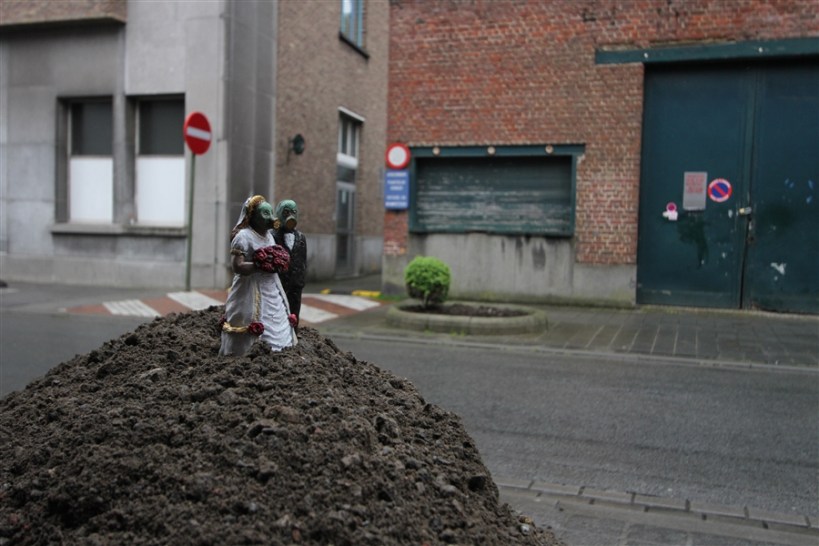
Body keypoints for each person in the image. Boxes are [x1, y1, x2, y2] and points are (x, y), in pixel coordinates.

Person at [219, 195, 296, 356]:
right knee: (250, 317)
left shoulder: (269, 236)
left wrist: (277, 263)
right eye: (265, 214)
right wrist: (260, 265)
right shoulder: (243, 237)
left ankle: (280, 348)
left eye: (270, 213)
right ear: (252, 216)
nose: (270, 218)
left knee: (276, 315)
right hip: (250, 287)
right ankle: (246, 353)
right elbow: (237, 266)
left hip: (271, 286)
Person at [272, 199, 307, 328]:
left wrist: (301, 280)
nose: (290, 215)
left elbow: (303, 260)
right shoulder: (272, 236)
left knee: (294, 312)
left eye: (293, 212)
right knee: (278, 313)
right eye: (286, 212)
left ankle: (294, 337)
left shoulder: (301, 237)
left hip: (296, 283)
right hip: (279, 282)